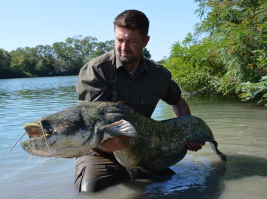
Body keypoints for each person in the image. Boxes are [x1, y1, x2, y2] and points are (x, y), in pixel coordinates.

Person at [75, 9, 204, 192]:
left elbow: (178, 102)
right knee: (90, 191)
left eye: (131, 41)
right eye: (120, 40)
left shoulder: (159, 75)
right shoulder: (96, 70)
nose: (124, 47)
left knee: (176, 187)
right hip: (101, 153)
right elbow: (90, 122)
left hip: (143, 151)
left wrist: (187, 132)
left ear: (145, 41)